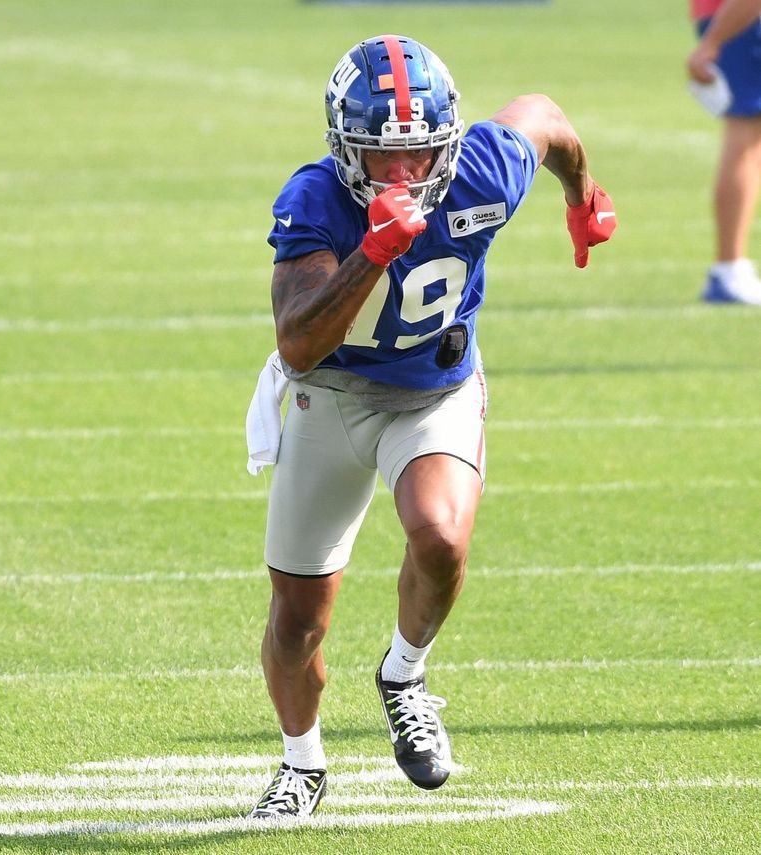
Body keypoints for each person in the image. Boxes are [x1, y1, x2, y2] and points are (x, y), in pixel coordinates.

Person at [246, 34, 616, 820]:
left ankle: (405, 674)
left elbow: (545, 120)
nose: (404, 173)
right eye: (381, 157)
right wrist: (374, 250)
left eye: (419, 154)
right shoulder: (316, 199)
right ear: (345, 149)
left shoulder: (482, 170)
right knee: (298, 622)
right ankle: (302, 763)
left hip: (435, 389)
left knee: (441, 535)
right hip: (335, 394)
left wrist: (581, 197)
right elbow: (299, 341)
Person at [687, 0, 761, 304]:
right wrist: (712, 42)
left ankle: (730, 269)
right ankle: (729, 270)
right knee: (746, 135)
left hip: (729, 17)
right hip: (740, 18)